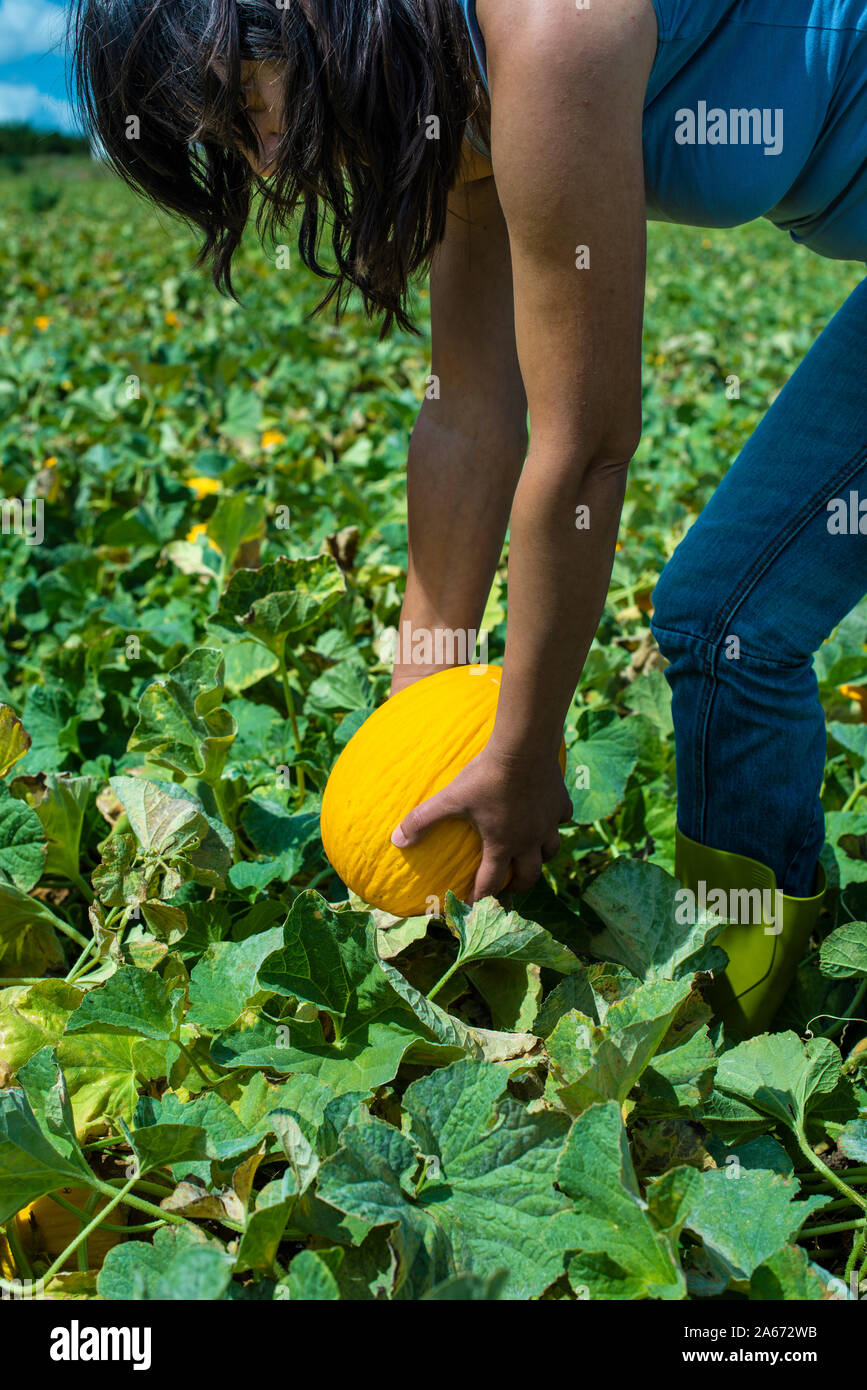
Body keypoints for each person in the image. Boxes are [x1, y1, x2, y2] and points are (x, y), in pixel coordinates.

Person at [69, 0, 867, 1034]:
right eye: (227, 146)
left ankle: (747, 1030)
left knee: (728, 622)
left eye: (247, 110)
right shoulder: (447, 94)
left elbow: (582, 451)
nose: (267, 168)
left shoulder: (549, 30)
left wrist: (529, 751)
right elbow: (470, 419)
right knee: (727, 618)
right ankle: (741, 1004)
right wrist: (420, 723)